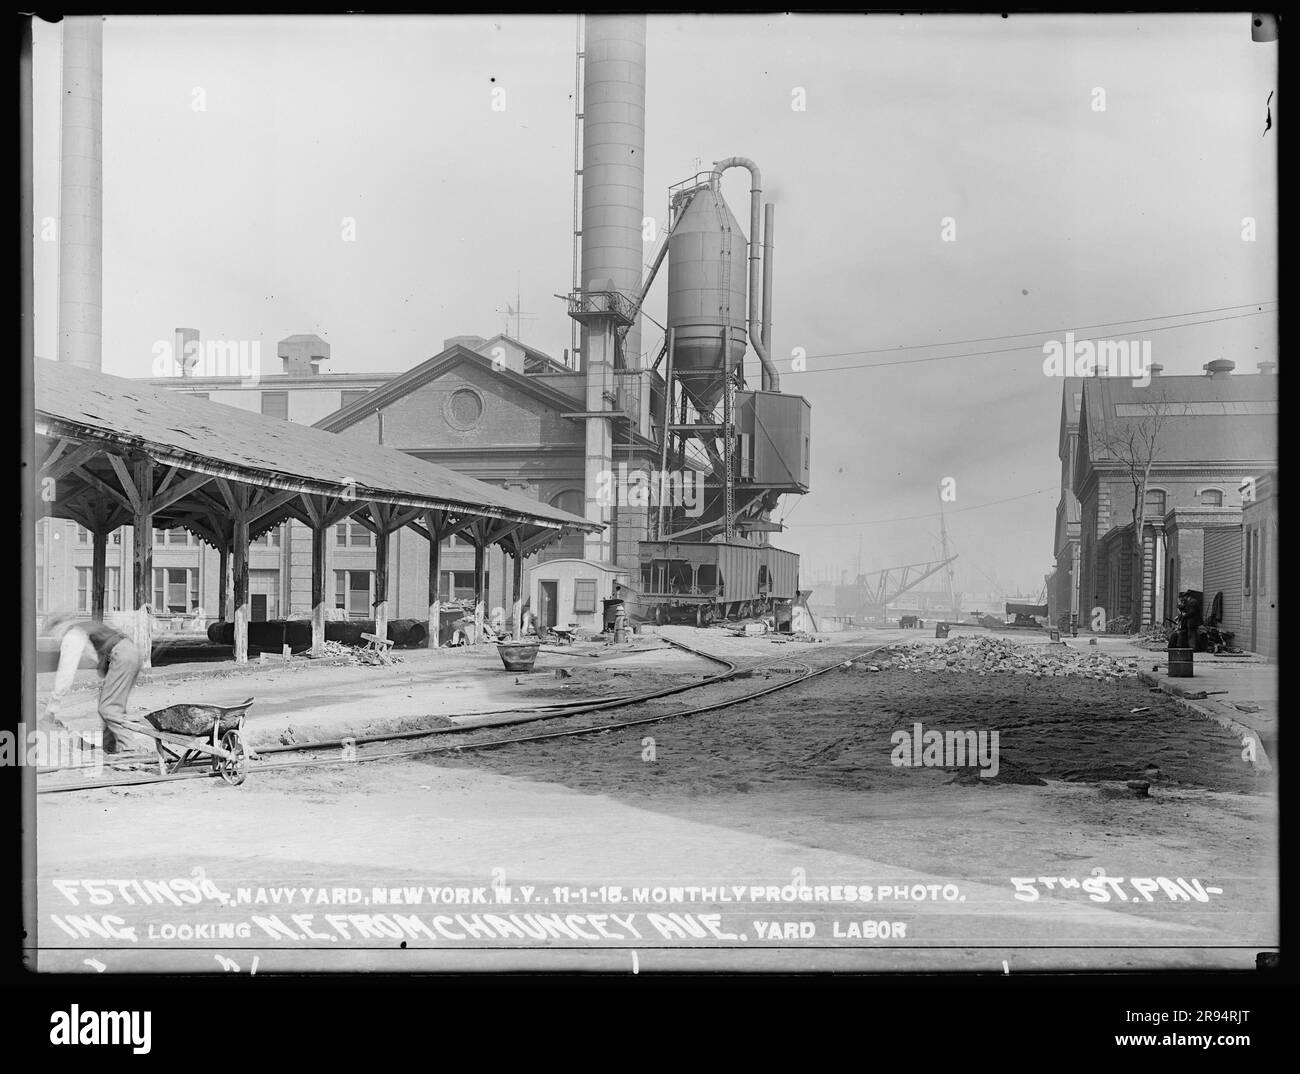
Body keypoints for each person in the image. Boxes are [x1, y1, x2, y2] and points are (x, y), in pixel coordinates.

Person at [42, 612, 147, 753]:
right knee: (111, 705)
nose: (55, 638)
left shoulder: (72, 635)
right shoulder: (83, 629)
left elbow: (65, 673)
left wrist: (52, 707)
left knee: (108, 708)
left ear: (58, 627)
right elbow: (98, 657)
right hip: (129, 651)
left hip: (122, 655)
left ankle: (131, 749)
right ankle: (111, 748)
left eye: (52, 633)